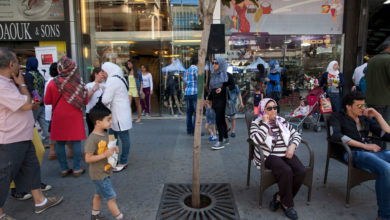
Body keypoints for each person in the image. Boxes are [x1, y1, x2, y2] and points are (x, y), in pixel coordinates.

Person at [0, 47, 63, 220]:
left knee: (33, 166)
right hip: (11, 137)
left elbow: (33, 96)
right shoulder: (9, 82)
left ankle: (39, 200)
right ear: (11, 64)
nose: (20, 65)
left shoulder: (15, 79)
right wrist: (27, 92)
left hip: (25, 131)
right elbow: (26, 103)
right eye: (17, 61)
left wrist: (33, 98)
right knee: (5, 176)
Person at [329, 91, 390, 220]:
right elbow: (337, 135)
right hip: (354, 153)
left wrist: (378, 116)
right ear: (348, 106)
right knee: (386, 169)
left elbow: (386, 134)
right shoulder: (337, 117)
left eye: (364, 105)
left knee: (385, 167)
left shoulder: (365, 118)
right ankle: (384, 216)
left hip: (372, 153)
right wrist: (365, 146)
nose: (363, 109)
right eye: (359, 106)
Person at [249, 98, 304, 220]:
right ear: (263, 110)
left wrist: (292, 146)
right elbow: (256, 140)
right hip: (269, 155)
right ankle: (287, 205)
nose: (273, 110)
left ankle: (279, 197)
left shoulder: (282, 121)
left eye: (275, 107)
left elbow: (296, 134)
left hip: (285, 152)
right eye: (269, 108)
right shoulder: (256, 123)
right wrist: (265, 123)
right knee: (286, 170)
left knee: (301, 171)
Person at [44, 56, 88, 177]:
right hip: (75, 115)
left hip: (58, 116)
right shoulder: (79, 83)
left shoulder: (53, 82)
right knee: (76, 142)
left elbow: (47, 101)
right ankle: (77, 168)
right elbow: (86, 101)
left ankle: (64, 168)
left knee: (59, 143)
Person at [85, 102, 125, 220]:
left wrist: (113, 149)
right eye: (108, 119)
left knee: (98, 194)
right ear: (98, 122)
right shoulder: (92, 139)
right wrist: (105, 154)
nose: (111, 122)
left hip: (104, 172)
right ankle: (119, 217)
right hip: (99, 174)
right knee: (111, 197)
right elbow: (88, 158)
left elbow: (107, 148)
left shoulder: (105, 133)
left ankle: (95, 214)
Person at [102, 62, 132, 172]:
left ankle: (122, 161)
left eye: (103, 71)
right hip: (120, 113)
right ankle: (114, 159)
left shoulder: (112, 79)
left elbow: (105, 100)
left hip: (117, 114)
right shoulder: (120, 77)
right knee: (114, 137)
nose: (103, 74)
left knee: (120, 137)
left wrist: (103, 92)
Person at [208, 57, 235, 150]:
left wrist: (222, 89)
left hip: (223, 100)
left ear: (221, 64)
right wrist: (208, 99)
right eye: (213, 62)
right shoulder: (213, 75)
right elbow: (211, 89)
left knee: (219, 121)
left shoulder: (227, 75)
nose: (214, 64)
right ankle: (226, 138)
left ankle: (220, 141)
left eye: (216, 63)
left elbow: (232, 86)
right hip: (215, 100)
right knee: (221, 120)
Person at [24, 57, 50, 147]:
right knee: (44, 122)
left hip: (34, 102)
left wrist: (36, 100)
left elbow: (31, 88)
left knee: (31, 122)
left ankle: (30, 142)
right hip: (42, 102)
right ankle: (48, 140)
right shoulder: (39, 75)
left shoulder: (28, 75)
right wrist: (40, 99)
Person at [366, 36, 390, 123]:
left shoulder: (372, 60)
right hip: (384, 100)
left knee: (373, 125)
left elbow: (366, 78)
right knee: (383, 126)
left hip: (371, 99)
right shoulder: (388, 59)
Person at [86, 67, 105, 134]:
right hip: (91, 114)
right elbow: (85, 99)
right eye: (101, 73)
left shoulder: (105, 85)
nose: (103, 75)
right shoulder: (89, 85)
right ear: (96, 74)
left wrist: (104, 92)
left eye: (103, 74)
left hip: (103, 114)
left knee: (103, 134)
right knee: (92, 134)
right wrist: (93, 90)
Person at [226, 73, 244, 138]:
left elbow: (239, 94)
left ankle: (233, 131)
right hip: (225, 104)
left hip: (233, 104)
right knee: (223, 117)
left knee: (233, 117)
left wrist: (241, 102)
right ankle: (227, 127)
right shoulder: (223, 86)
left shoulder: (235, 86)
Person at [183, 56, 198, 135]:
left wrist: (184, 90)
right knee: (196, 112)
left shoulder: (186, 70)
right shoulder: (196, 70)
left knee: (189, 112)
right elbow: (200, 81)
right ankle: (195, 130)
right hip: (195, 92)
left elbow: (184, 82)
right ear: (198, 62)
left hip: (187, 93)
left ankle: (189, 130)